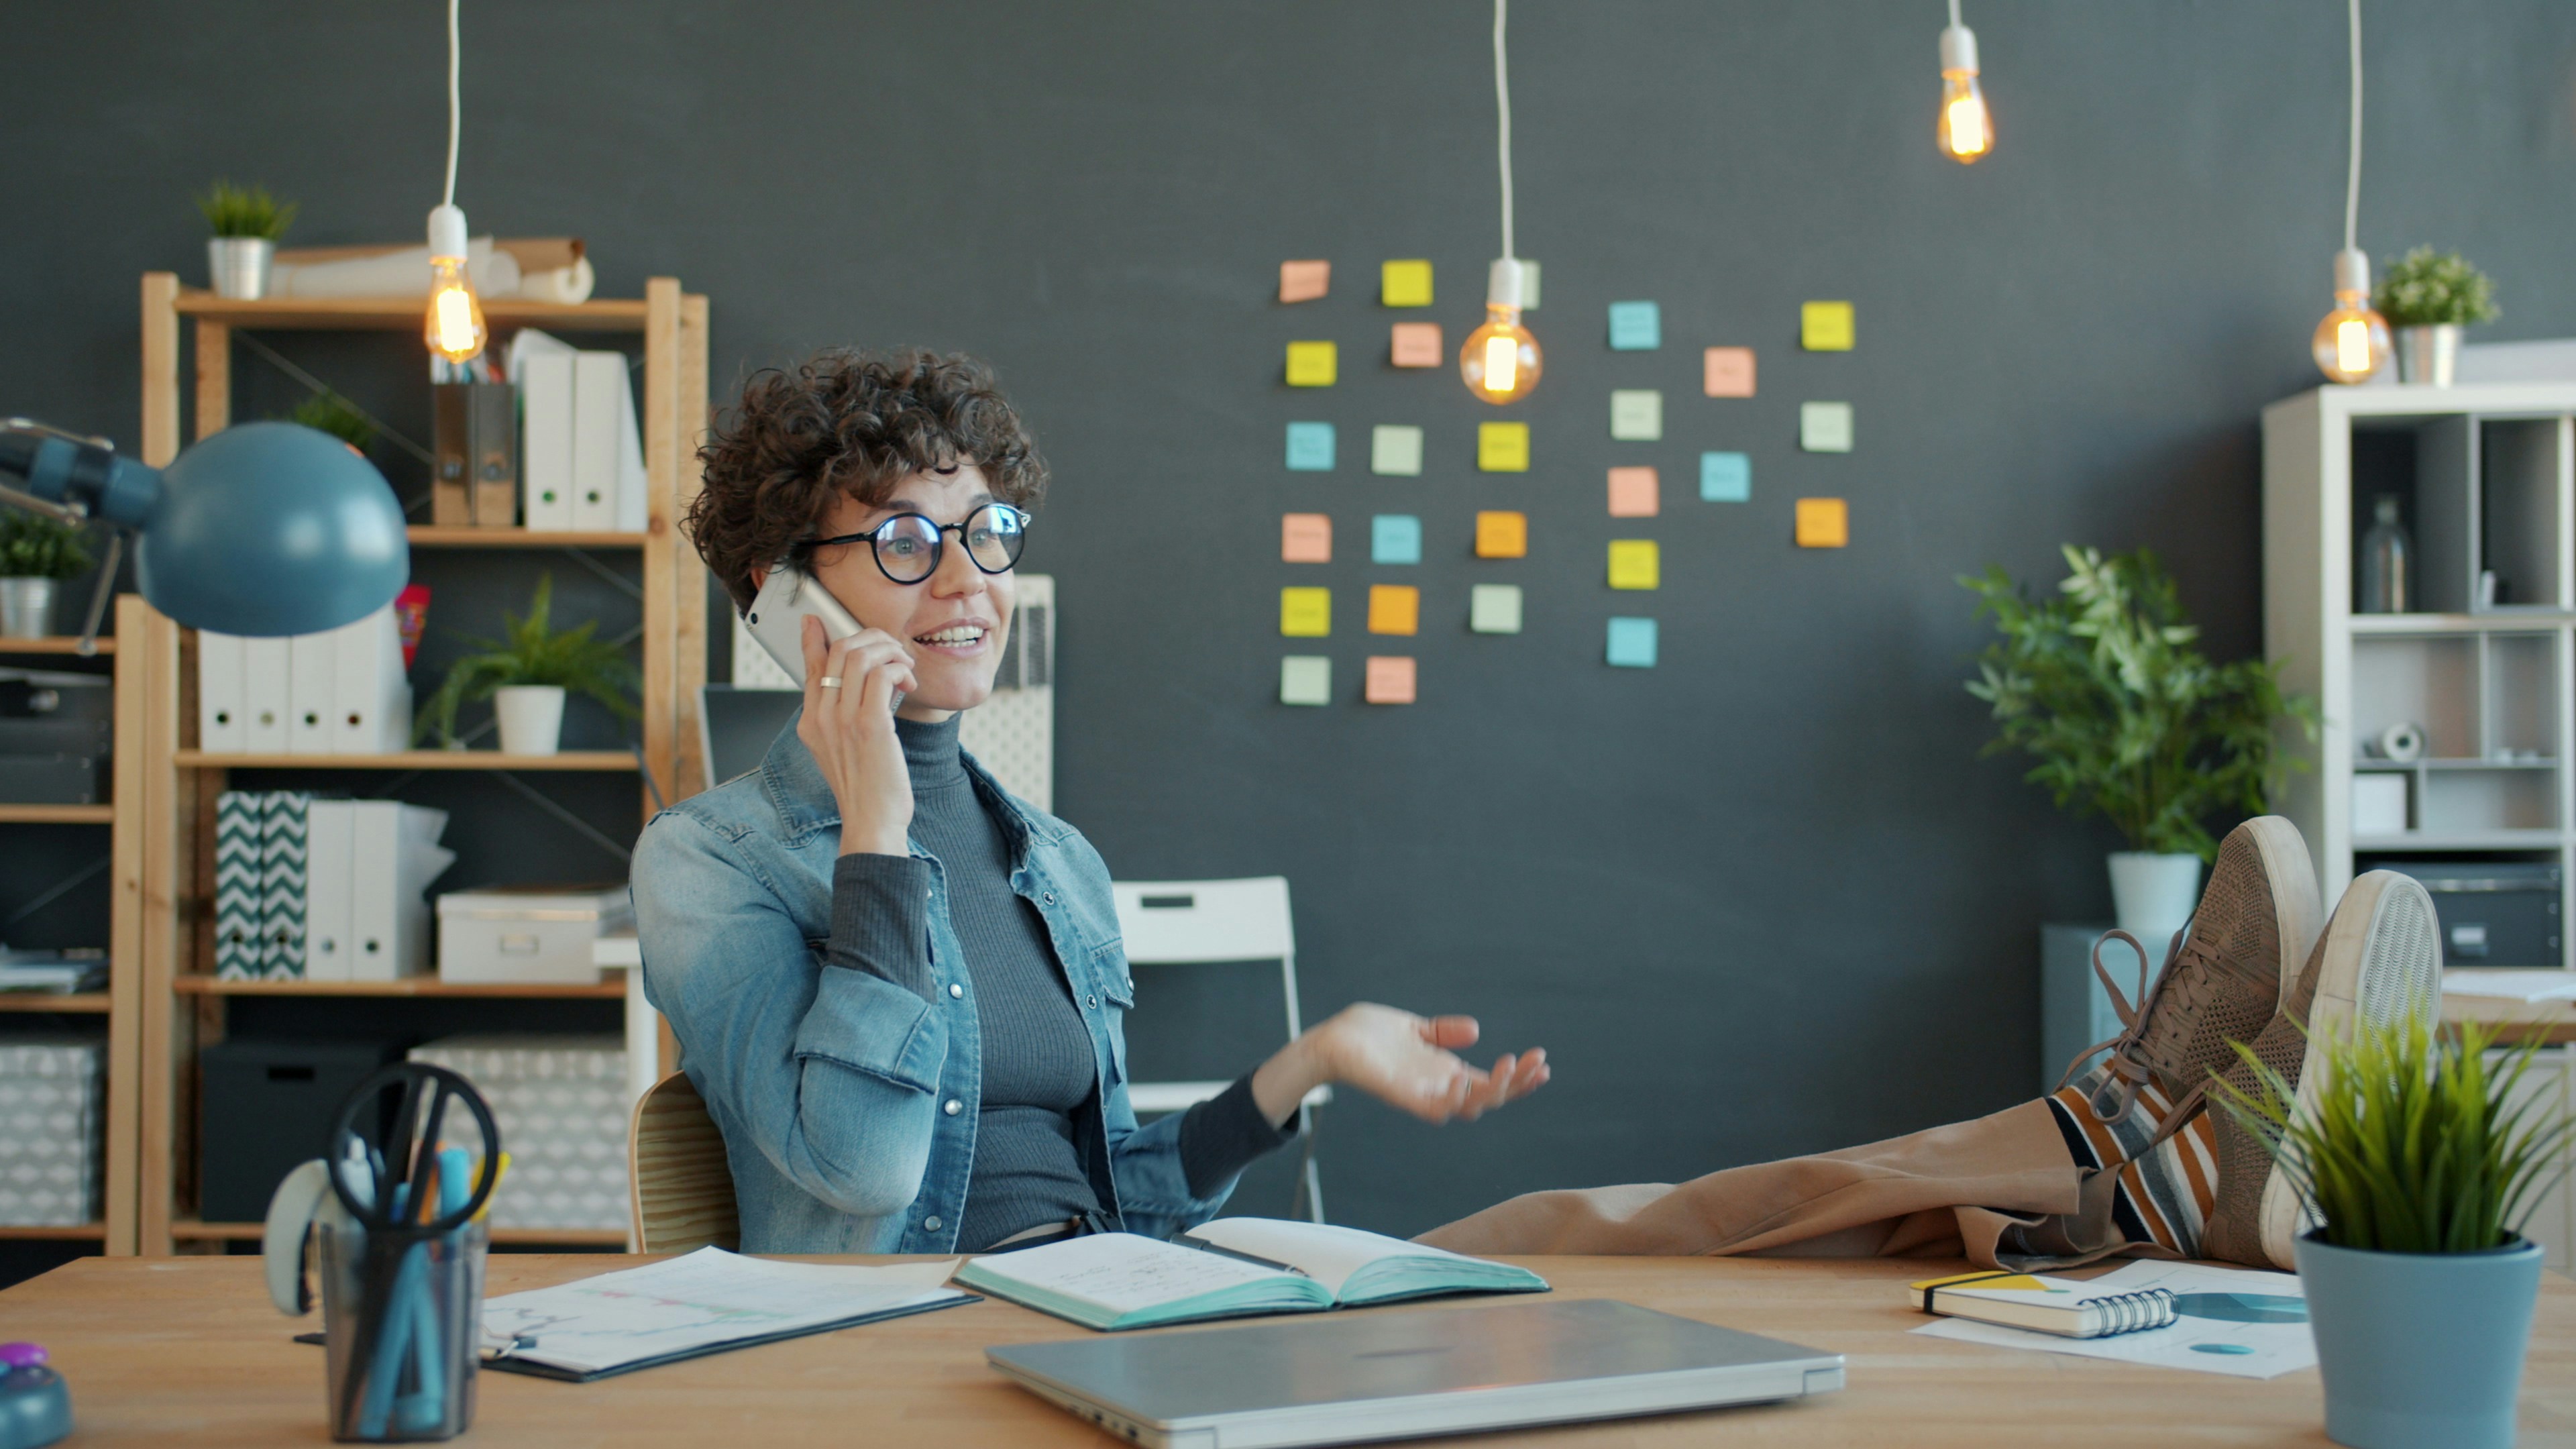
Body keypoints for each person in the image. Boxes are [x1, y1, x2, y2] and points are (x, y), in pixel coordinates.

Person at [631, 350, 1550, 1255]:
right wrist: (877, 835)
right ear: (785, 591)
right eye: (903, 542)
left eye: (986, 530)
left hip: (1090, 1305)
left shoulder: (1058, 861)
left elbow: (1115, 1196)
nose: (968, 581)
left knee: (1530, 1266)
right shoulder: (706, 860)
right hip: (897, 1359)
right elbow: (865, 1167)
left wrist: (1312, 1061)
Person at [1415, 816, 2443, 1272]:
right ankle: (2143, 1167)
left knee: (1619, 1233)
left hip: (1292, 1279)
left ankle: (2136, 1161)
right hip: (1296, 1304)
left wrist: (1298, 1073)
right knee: (1610, 1240)